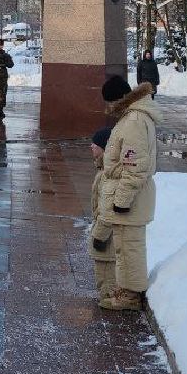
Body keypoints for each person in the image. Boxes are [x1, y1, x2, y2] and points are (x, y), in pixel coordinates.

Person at [95, 74, 160, 311]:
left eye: (108, 102)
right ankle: (126, 289)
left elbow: (135, 167)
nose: (107, 108)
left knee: (130, 247)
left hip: (131, 199)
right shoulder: (132, 117)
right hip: (130, 197)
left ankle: (131, 296)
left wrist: (122, 201)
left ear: (116, 99)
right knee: (124, 247)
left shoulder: (133, 121)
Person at [86, 126, 116, 303]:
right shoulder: (104, 171)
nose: (91, 147)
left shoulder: (107, 175)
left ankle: (109, 300)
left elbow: (107, 209)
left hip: (107, 237)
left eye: (95, 144)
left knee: (107, 274)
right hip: (105, 232)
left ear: (104, 148)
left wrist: (99, 235)